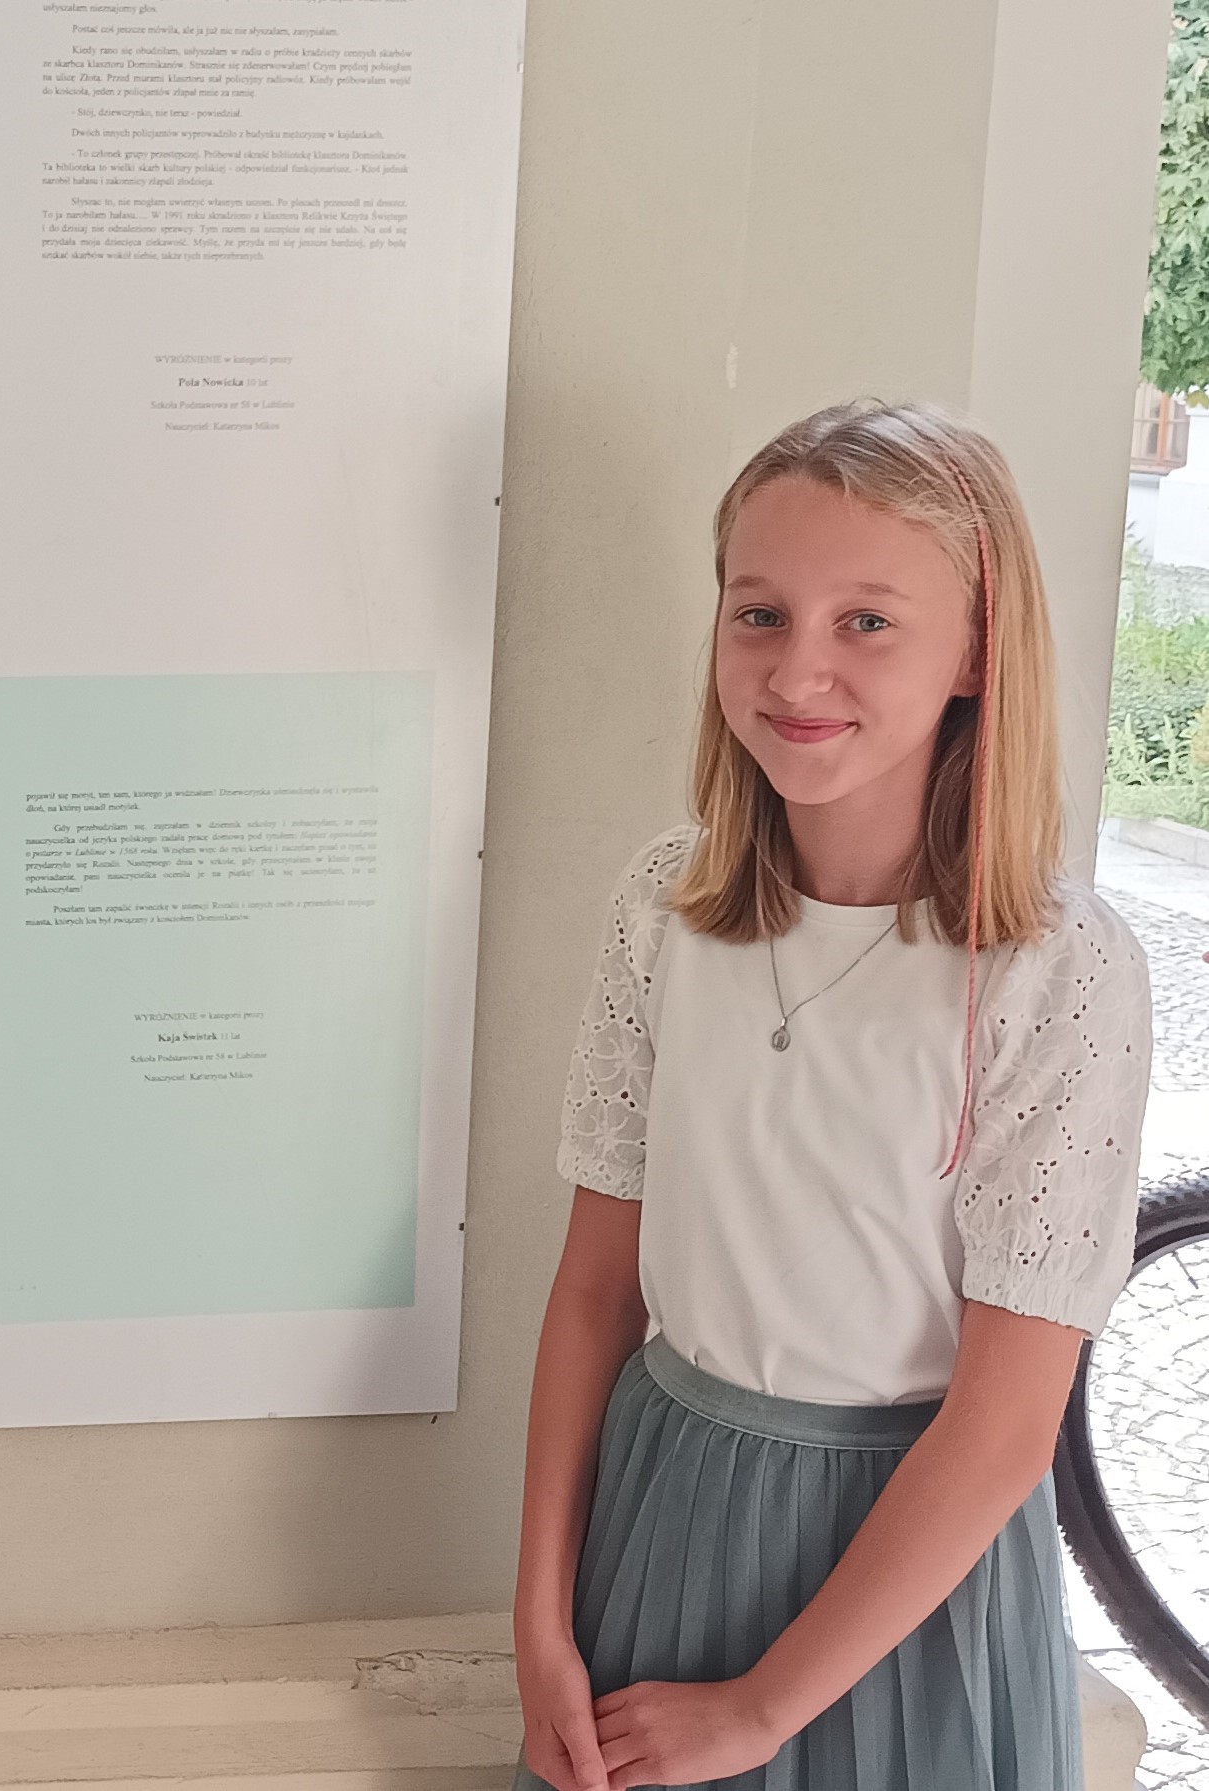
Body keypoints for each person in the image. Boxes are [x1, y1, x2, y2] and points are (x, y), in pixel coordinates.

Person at [513, 401, 1151, 1791]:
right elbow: (592, 1292)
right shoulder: (662, 907)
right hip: (657, 1509)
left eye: (866, 620)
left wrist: (760, 1708)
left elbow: (1003, 1422)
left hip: (908, 1576)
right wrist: (538, 1619)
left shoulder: (1053, 969)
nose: (797, 667)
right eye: (758, 613)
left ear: (976, 650)